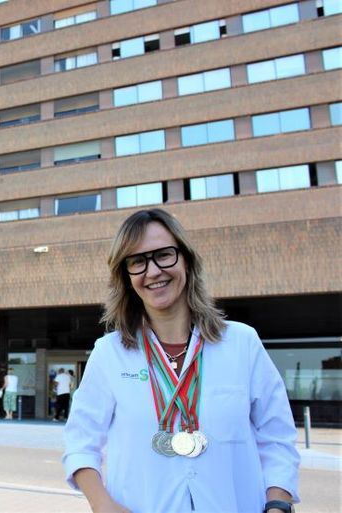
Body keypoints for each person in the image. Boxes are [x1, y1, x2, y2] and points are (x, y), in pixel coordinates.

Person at [63, 209, 299, 513]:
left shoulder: (242, 344)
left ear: (186, 260)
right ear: (126, 276)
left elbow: (277, 437)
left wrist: (278, 505)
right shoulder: (109, 353)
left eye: (163, 255)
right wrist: (103, 505)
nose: (153, 271)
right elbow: (79, 442)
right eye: (137, 261)